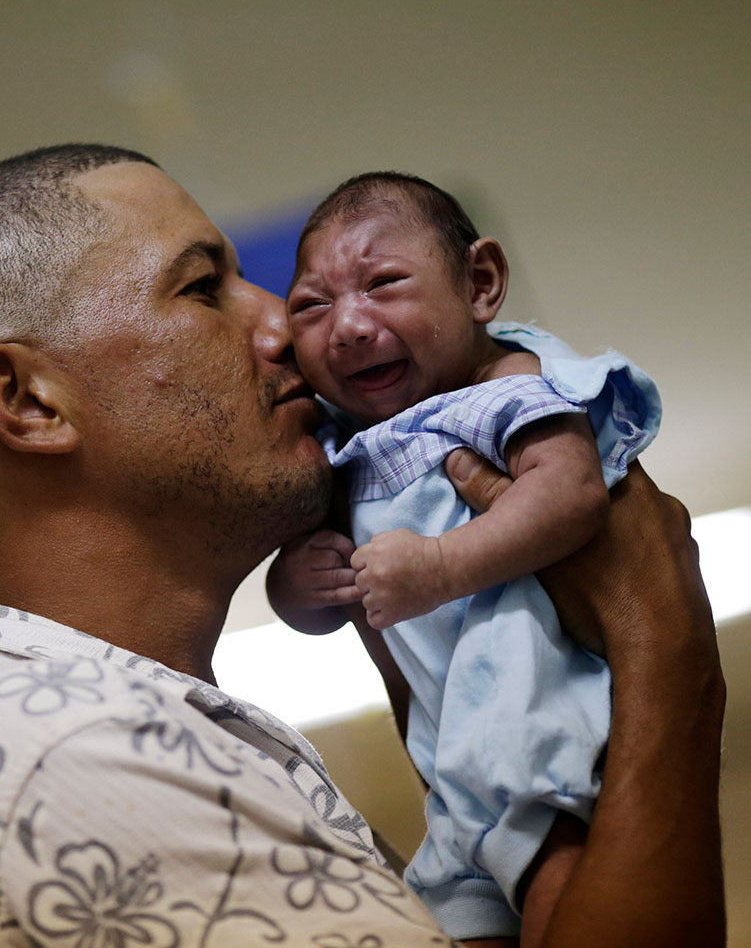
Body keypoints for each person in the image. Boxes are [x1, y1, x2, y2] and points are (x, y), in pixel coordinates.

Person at [0, 144, 726, 948]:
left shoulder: (95, 737)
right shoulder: (68, 762)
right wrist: (665, 652)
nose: (283, 328)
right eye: (203, 286)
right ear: (28, 399)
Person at [268, 172, 662, 942]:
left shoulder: (502, 388)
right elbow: (312, 614)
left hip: (535, 719)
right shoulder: (335, 446)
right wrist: (299, 583)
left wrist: (444, 568)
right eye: (311, 306)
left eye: (383, 284)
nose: (347, 325)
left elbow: (571, 494)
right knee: (455, 918)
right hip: (453, 770)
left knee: (561, 888)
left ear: (480, 284)